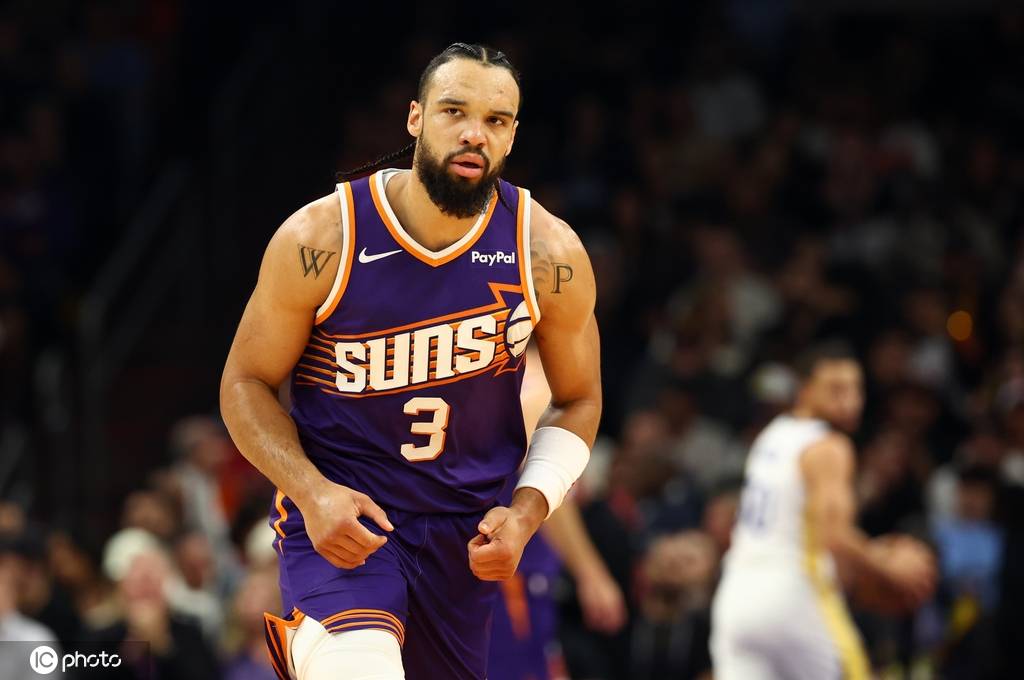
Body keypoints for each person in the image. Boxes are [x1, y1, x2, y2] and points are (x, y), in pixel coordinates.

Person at [219, 42, 601, 680]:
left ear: (511, 136)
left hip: (463, 536)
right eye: (455, 111)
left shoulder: (547, 251)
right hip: (345, 518)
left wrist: (528, 510)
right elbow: (245, 382)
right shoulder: (323, 237)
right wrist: (311, 492)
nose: (475, 133)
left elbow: (580, 398)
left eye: (496, 120)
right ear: (416, 118)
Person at [710, 344, 937, 680]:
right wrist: (887, 566)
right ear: (804, 390)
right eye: (835, 389)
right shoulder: (830, 446)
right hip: (794, 594)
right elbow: (833, 534)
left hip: (736, 597)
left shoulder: (772, 436)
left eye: (855, 389)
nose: (850, 401)